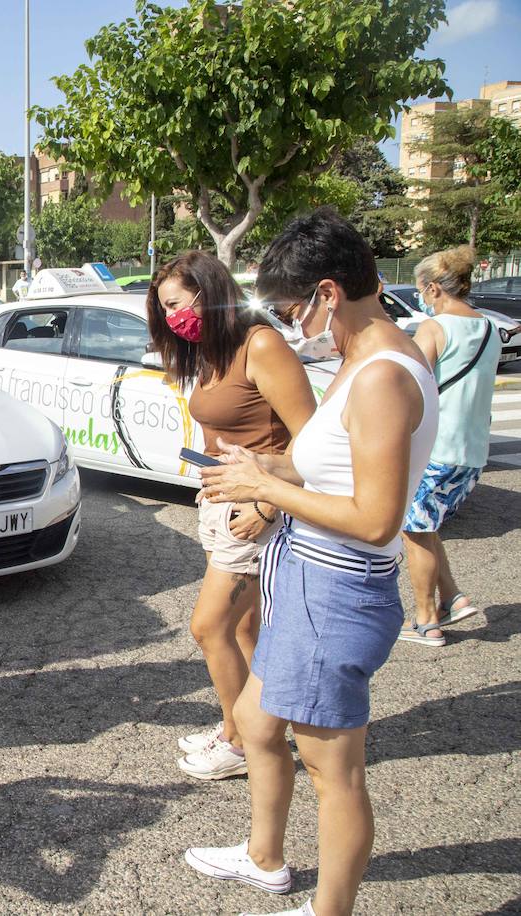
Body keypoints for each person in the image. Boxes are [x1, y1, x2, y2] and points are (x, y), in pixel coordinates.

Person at [189, 209, 438, 916]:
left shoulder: (382, 376)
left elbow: (376, 518)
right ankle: (265, 858)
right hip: (305, 578)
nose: (292, 327)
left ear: (329, 293)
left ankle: (330, 910)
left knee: (336, 771)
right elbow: (317, 464)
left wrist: (265, 489)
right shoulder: (361, 360)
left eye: (295, 309)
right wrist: (262, 467)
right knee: (258, 722)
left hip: (337, 590)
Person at [145, 251, 315, 781]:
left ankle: (243, 744)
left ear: (207, 292)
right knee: (243, 628)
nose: (173, 318)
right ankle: (239, 726)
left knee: (208, 627)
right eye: (164, 309)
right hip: (223, 503)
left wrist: (266, 503)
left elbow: (314, 445)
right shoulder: (212, 349)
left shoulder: (260, 344)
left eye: (175, 304)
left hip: (255, 512)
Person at [398, 246, 499, 647]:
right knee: (428, 523)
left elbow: (411, 383)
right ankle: (453, 598)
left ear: (435, 288)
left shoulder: (435, 328)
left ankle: (425, 621)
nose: (423, 298)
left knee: (415, 529)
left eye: (423, 291)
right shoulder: (490, 327)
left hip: (435, 449)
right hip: (471, 449)